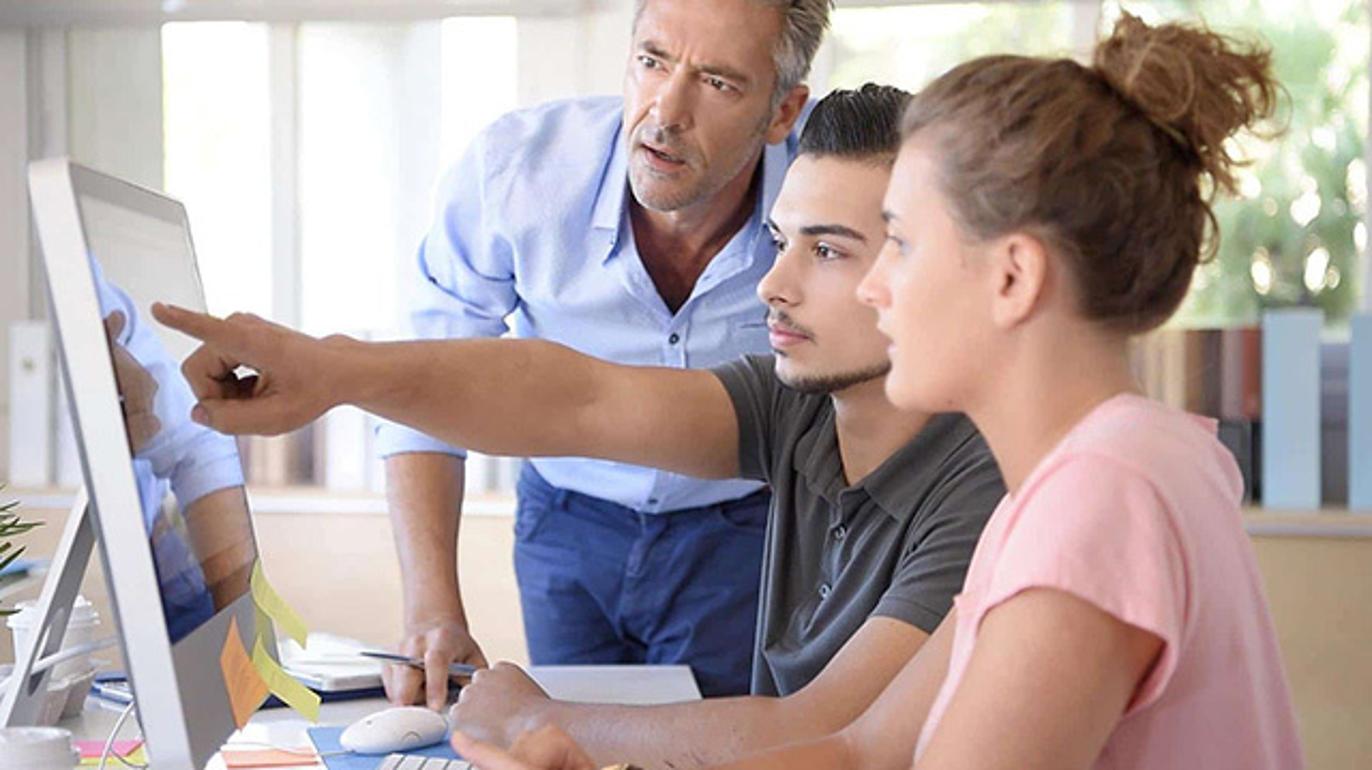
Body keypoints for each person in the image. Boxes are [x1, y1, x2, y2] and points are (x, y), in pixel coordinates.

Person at [442, 12, 1308, 770]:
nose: (876, 285)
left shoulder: (1100, 502)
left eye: (898, 242)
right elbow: (862, 752)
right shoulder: (1092, 475)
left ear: (1012, 278)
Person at [150, 84, 1004, 768]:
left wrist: (540, 718)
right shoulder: (802, 407)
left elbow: (823, 733)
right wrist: (335, 372)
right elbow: (572, 396)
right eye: (781, 241)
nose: (772, 286)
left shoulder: (984, 491)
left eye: (827, 250)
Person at [376, 0, 828, 704]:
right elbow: (423, 382)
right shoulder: (518, 171)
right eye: (652, 61)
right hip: (566, 519)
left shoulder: (831, 200)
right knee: (572, 740)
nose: (664, 111)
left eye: (717, 82)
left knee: (716, 749)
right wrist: (432, 610)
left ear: (782, 111)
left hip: (746, 529)